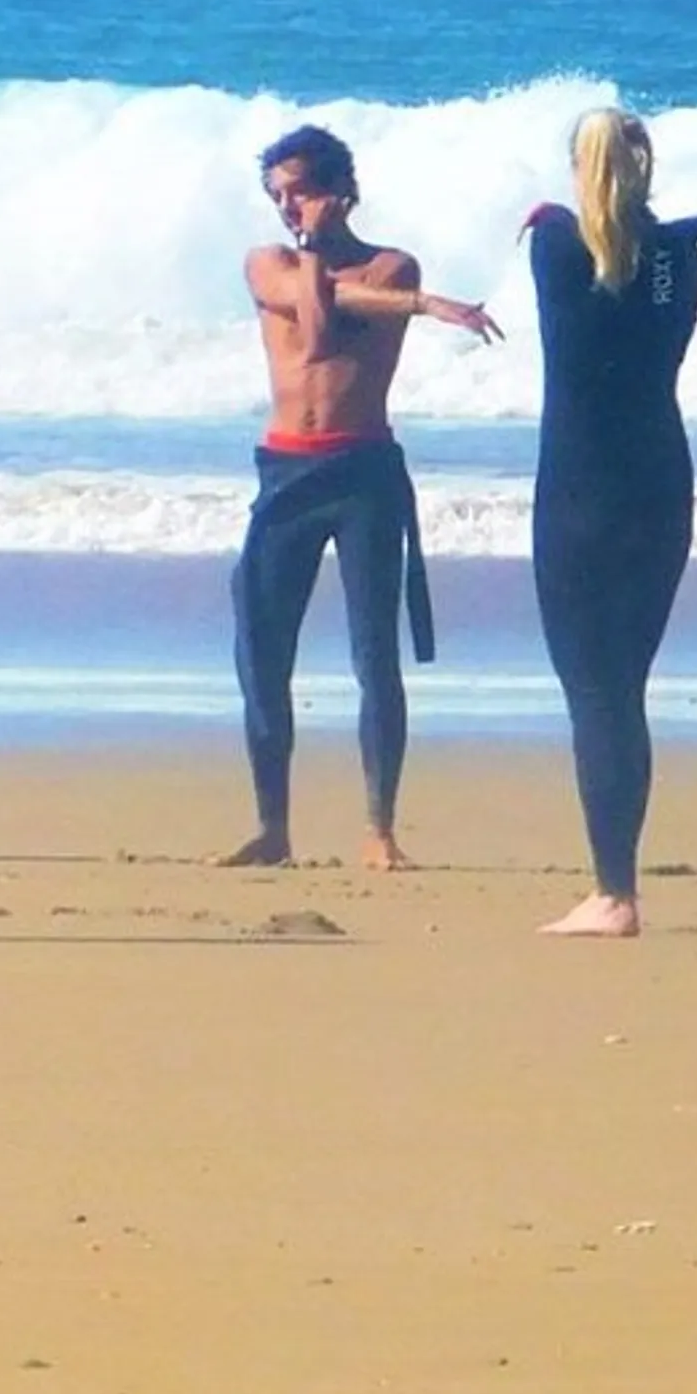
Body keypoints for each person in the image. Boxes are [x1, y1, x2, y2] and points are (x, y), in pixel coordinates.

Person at [521, 108, 697, 935]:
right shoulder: (678, 260)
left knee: (594, 691)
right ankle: (614, 887)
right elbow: (650, 252)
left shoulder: (554, 245)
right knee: (623, 688)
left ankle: (614, 894)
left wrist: (559, 212)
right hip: (660, 484)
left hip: (580, 493)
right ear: (645, 169)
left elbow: (585, 245)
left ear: (579, 168)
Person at [227, 124, 499, 871]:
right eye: (278, 196)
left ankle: (380, 829)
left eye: (301, 192)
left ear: (341, 190)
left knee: (375, 655)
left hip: (362, 472)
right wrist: (423, 305)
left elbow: (335, 317)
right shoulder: (269, 263)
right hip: (286, 471)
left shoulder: (391, 265)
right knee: (262, 651)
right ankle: (273, 829)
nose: (289, 207)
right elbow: (314, 325)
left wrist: (401, 292)